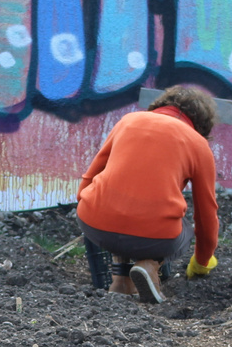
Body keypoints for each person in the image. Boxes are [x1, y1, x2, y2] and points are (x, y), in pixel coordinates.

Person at [76, 85, 220, 304]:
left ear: (159, 105)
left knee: (122, 209)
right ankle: (149, 265)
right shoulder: (198, 145)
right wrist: (201, 262)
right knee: (186, 230)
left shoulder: (128, 121)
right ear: (201, 124)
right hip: (154, 237)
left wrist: (91, 208)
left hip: (95, 224)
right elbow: (206, 216)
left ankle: (120, 282)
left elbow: (88, 180)